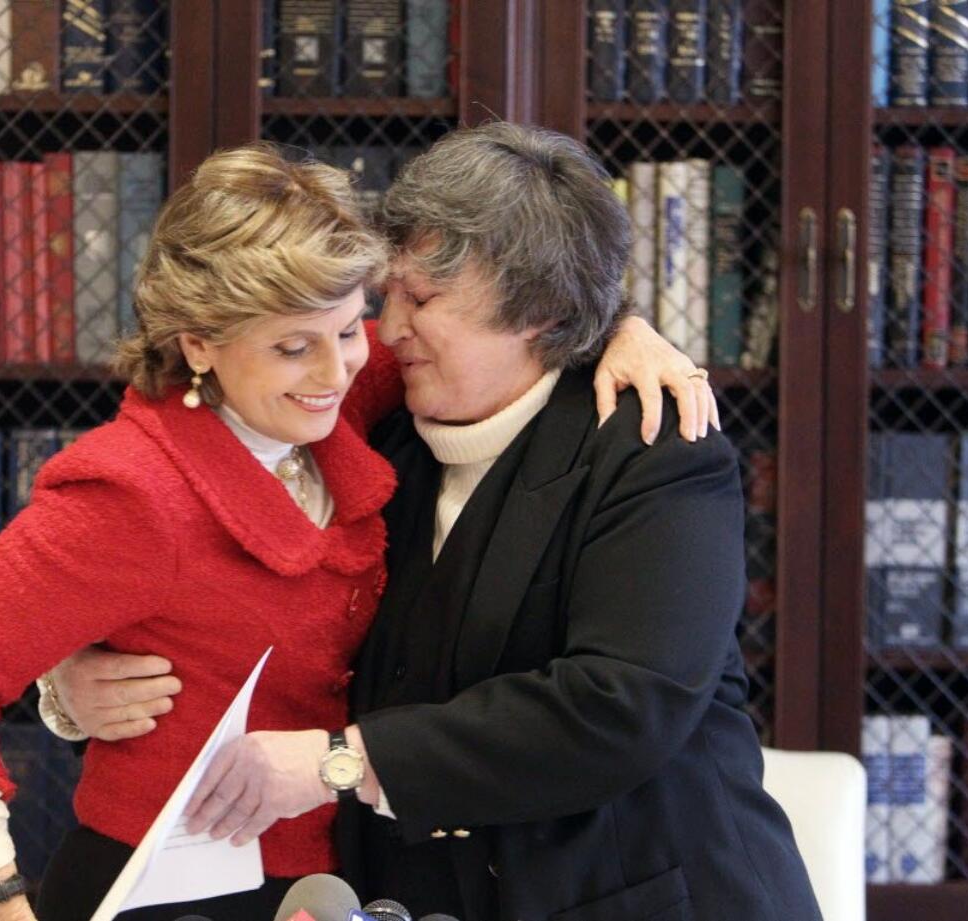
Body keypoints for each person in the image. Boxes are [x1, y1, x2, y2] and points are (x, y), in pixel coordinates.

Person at [0, 140, 712, 921]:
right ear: (200, 344)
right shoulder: (132, 487)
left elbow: (537, 316)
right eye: (294, 347)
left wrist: (627, 328)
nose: (341, 366)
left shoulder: (363, 394)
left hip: (325, 882)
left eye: (353, 326)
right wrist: (1, 894)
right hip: (161, 882)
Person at [68, 123, 820, 921]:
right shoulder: (372, 433)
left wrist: (340, 761)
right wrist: (74, 673)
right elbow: (215, 586)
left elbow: (619, 703)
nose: (384, 331)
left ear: (536, 310)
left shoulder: (653, 447)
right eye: (386, 294)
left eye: (420, 300)